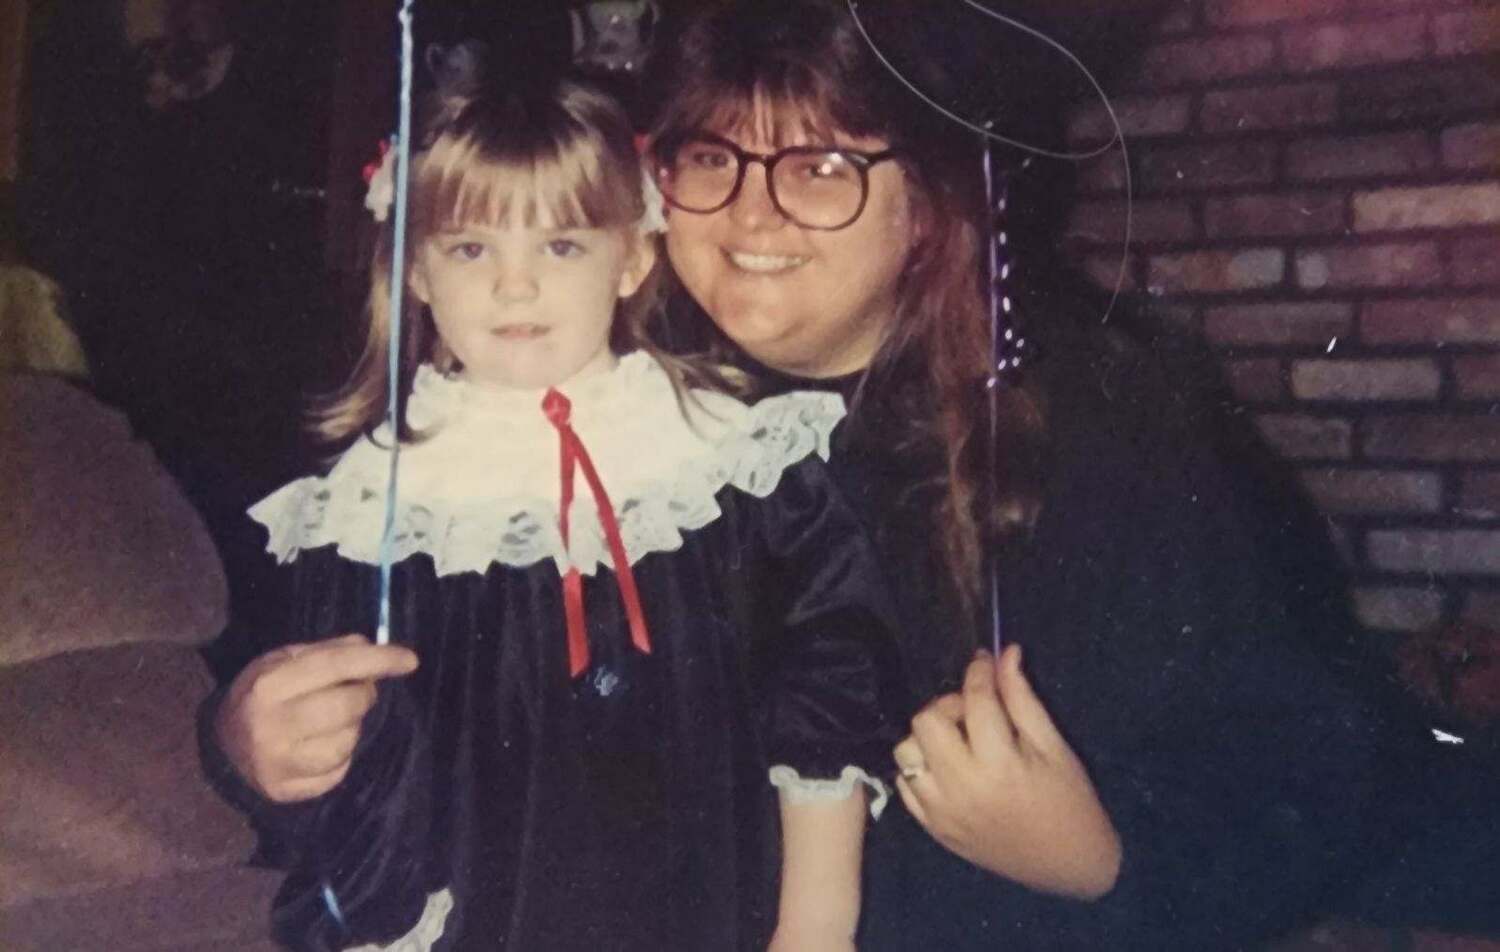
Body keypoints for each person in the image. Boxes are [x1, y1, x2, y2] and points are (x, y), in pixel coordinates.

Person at [643, 1, 1422, 947]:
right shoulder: (617, 424)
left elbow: (1325, 765)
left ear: (930, 201)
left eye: (821, 169)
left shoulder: (1109, 419)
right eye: (710, 159)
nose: (750, 212)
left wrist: (1107, 859)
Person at [199, 78, 901, 951]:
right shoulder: (375, 504)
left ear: (634, 256)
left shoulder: (733, 462)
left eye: (563, 245)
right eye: (469, 250)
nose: (515, 285)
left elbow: (831, 678)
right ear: (416, 269)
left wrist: (816, 926)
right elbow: (340, 772)